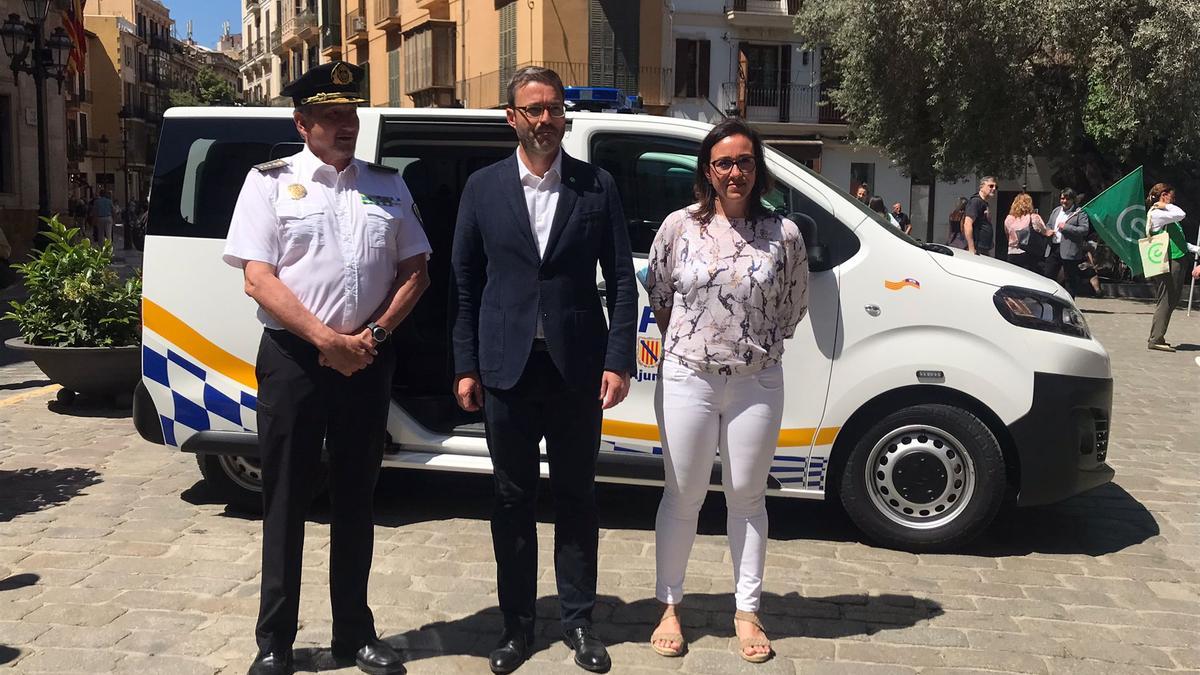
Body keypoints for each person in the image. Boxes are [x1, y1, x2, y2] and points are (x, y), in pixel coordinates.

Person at [222, 61, 431, 675]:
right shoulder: (269, 183)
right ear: (302, 122)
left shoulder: (387, 186)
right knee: (284, 497)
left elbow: (416, 270)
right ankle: (275, 643)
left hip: (366, 359)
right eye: (332, 115)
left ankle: (355, 634)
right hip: (294, 361)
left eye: (351, 113)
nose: (346, 125)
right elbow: (258, 278)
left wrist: (370, 336)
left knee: (356, 497)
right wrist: (324, 339)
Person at [450, 66, 637, 675]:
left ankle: (580, 622)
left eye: (553, 108)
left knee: (578, 497)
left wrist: (617, 360)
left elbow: (621, 283)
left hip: (576, 368)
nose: (544, 119)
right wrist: (467, 365)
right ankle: (516, 626)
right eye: (532, 109)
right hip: (506, 371)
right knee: (512, 498)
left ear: (565, 114)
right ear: (512, 117)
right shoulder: (482, 188)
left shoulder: (595, 186)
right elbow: (465, 284)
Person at [645, 118, 809, 665]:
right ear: (707, 171)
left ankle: (746, 610)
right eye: (723, 163)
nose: (734, 172)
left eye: (744, 162)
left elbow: (791, 308)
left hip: (755, 382)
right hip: (688, 377)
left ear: (756, 169)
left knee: (747, 497)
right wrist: (695, 345)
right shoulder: (677, 227)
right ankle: (669, 605)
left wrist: (746, 348)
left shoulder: (784, 234)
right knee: (683, 494)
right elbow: (661, 295)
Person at [1145, 183, 1188, 352]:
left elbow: (1176, 239)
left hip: (1176, 258)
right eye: (1172, 196)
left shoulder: (1166, 214)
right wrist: (1165, 205)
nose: (1174, 199)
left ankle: (1158, 336)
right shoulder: (1157, 213)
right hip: (1169, 260)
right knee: (1167, 299)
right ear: (1164, 195)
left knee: (1172, 299)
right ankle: (1155, 338)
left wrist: (1193, 248)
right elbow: (1181, 214)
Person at [1041, 188, 1091, 297]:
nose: (1064, 201)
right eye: (1062, 198)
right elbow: (1049, 225)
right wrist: (1047, 231)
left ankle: (1068, 303)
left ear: (1073, 200)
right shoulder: (1056, 210)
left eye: (1067, 199)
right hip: (1053, 248)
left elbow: (1084, 230)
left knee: (1070, 280)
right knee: (1048, 276)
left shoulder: (1079, 212)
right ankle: (1048, 300)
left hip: (1069, 251)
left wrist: (1066, 227)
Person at [1003, 193, 1049, 272]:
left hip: (1012, 253)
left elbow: (1007, 235)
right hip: (1028, 253)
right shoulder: (1033, 217)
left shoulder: (1008, 218)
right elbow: (1044, 231)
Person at [962, 177, 996, 256]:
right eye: (991, 186)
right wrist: (971, 248)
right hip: (977, 248)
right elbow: (967, 224)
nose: (994, 189)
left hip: (984, 248)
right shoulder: (976, 201)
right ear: (981, 186)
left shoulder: (984, 203)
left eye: (995, 187)